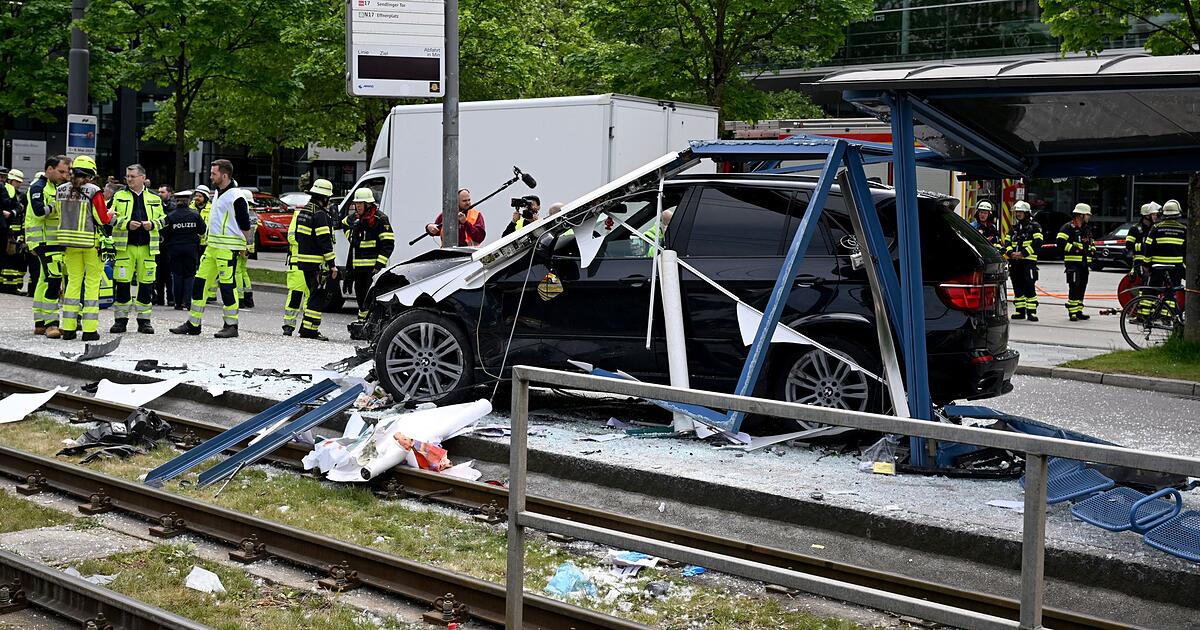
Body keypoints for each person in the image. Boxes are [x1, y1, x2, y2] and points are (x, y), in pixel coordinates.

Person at [170, 160, 252, 339]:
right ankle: (193, 323)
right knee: (199, 283)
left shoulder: (235, 196)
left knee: (228, 287)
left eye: (214, 173)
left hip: (227, 248)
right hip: (213, 247)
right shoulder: (219, 193)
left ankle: (231, 325)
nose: (211, 176)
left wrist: (248, 244)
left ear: (224, 175)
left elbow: (245, 222)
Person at [54, 155, 112, 341]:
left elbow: (58, 213)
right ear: (91, 174)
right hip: (90, 244)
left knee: (72, 284)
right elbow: (102, 218)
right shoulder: (94, 191)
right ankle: (89, 330)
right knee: (92, 285)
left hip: (68, 244)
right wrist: (110, 214)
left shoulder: (61, 189)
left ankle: (69, 329)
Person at [109, 164, 166, 334]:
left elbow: (165, 220)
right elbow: (107, 217)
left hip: (148, 248)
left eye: (132, 176)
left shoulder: (155, 198)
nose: (129, 179)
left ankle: (144, 321)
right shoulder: (118, 196)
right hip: (125, 247)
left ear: (142, 178)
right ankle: (120, 321)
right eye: (127, 176)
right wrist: (126, 224)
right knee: (123, 284)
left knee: (146, 285)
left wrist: (152, 224)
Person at [282, 178, 337, 339]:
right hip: (317, 263)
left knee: (313, 294)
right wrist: (332, 264)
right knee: (317, 296)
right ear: (324, 197)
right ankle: (309, 330)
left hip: (303, 261)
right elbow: (324, 241)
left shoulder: (304, 212)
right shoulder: (319, 214)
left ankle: (307, 328)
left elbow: (299, 237)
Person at [25, 157, 71, 336]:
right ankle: (52, 323)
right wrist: (57, 205)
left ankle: (40, 322)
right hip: (45, 241)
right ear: (49, 169)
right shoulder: (39, 186)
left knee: (44, 280)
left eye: (67, 172)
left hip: (52, 241)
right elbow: (38, 211)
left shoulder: (54, 187)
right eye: (61, 172)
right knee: (53, 279)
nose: (64, 176)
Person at [342, 188, 394, 322]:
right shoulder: (354, 219)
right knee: (360, 297)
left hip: (372, 269)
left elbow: (388, 244)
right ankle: (362, 323)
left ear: (368, 204)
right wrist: (352, 236)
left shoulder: (380, 219)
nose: (357, 206)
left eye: (360, 204)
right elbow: (344, 224)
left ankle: (371, 324)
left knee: (370, 298)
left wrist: (378, 265)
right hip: (358, 268)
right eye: (356, 203)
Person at [160, 187, 204, 311]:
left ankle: (177, 303)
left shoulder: (171, 216)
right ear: (189, 201)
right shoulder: (195, 215)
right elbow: (202, 230)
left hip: (175, 249)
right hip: (191, 249)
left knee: (177, 275)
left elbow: (164, 232)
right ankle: (188, 302)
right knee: (190, 275)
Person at [1143, 199, 1186, 310]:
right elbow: (1186, 252)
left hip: (1157, 267)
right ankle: (1167, 316)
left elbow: (1148, 247)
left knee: (1152, 290)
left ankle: (1144, 315)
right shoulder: (1183, 230)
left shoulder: (1156, 227)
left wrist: (1146, 264)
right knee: (1171, 292)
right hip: (1176, 268)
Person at [1004, 200, 1043, 321]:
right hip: (1015, 262)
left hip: (1028, 262)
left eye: (1021, 212)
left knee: (1029, 286)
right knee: (1017, 286)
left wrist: (1023, 253)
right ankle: (1020, 311)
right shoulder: (1014, 228)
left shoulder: (1035, 227)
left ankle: (1031, 312)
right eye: (1017, 212)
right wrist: (1011, 253)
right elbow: (1007, 242)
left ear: (1027, 213)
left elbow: (1038, 242)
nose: (1018, 214)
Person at [1056, 203, 1095, 321]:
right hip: (1072, 264)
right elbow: (1060, 242)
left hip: (1084, 264)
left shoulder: (1087, 229)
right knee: (1074, 287)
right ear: (1080, 215)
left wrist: (1092, 250)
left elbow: (1091, 242)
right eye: (1087, 215)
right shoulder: (1068, 227)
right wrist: (1075, 249)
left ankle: (1078, 310)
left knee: (1082, 287)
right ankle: (1072, 312)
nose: (1088, 217)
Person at [0, 168, 25, 293]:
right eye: (17, 181)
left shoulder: (15, 193)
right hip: (7, 228)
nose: (19, 184)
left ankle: (9, 286)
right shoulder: (9, 190)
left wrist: (13, 212)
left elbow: (17, 209)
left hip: (10, 230)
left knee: (11, 260)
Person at [153, 184, 176, 306]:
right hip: (157, 242)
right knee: (158, 272)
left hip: (169, 243)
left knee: (169, 273)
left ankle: (171, 298)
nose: (160, 194)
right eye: (159, 192)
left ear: (169, 193)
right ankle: (159, 298)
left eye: (162, 192)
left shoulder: (173, 208)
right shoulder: (156, 205)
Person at [233, 191, 257, 309]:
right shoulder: (253, 214)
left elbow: (242, 229)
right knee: (243, 271)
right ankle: (249, 298)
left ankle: (240, 298)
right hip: (250, 246)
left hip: (242, 245)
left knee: (237, 271)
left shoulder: (245, 213)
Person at [1126, 202, 1159, 280]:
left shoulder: (1156, 229)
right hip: (1139, 262)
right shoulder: (1135, 229)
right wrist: (1144, 246)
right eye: (1153, 214)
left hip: (1154, 261)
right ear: (1147, 215)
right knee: (1141, 283)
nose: (1156, 217)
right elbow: (1128, 245)